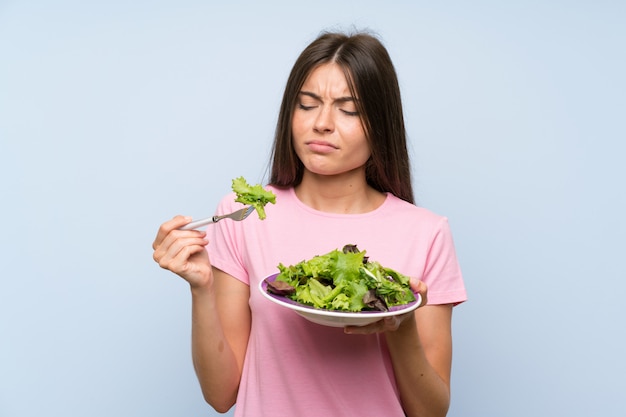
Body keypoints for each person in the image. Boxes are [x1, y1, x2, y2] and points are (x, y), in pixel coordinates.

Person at [152, 30, 467, 417]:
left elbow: (431, 411)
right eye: (307, 105)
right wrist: (201, 290)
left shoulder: (426, 233)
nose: (322, 123)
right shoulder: (243, 214)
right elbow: (221, 395)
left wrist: (400, 326)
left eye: (349, 110)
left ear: (380, 124)